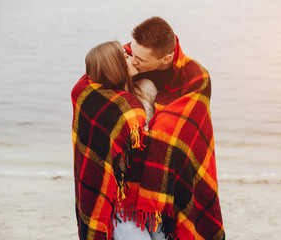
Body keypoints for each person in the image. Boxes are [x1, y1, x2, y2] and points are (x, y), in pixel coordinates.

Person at [120, 17, 225, 240]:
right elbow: (89, 85)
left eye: (139, 59)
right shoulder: (127, 54)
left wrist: (140, 132)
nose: (131, 59)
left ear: (166, 58)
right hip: (125, 184)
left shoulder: (196, 77)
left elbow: (172, 133)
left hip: (170, 179)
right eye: (132, 51)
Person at [71, 41, 148, 239]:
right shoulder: (112, 107)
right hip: (117, 200)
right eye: (126, 56)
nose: (132, 57)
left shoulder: (139, 90)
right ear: (115, 66)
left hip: (146, 196)